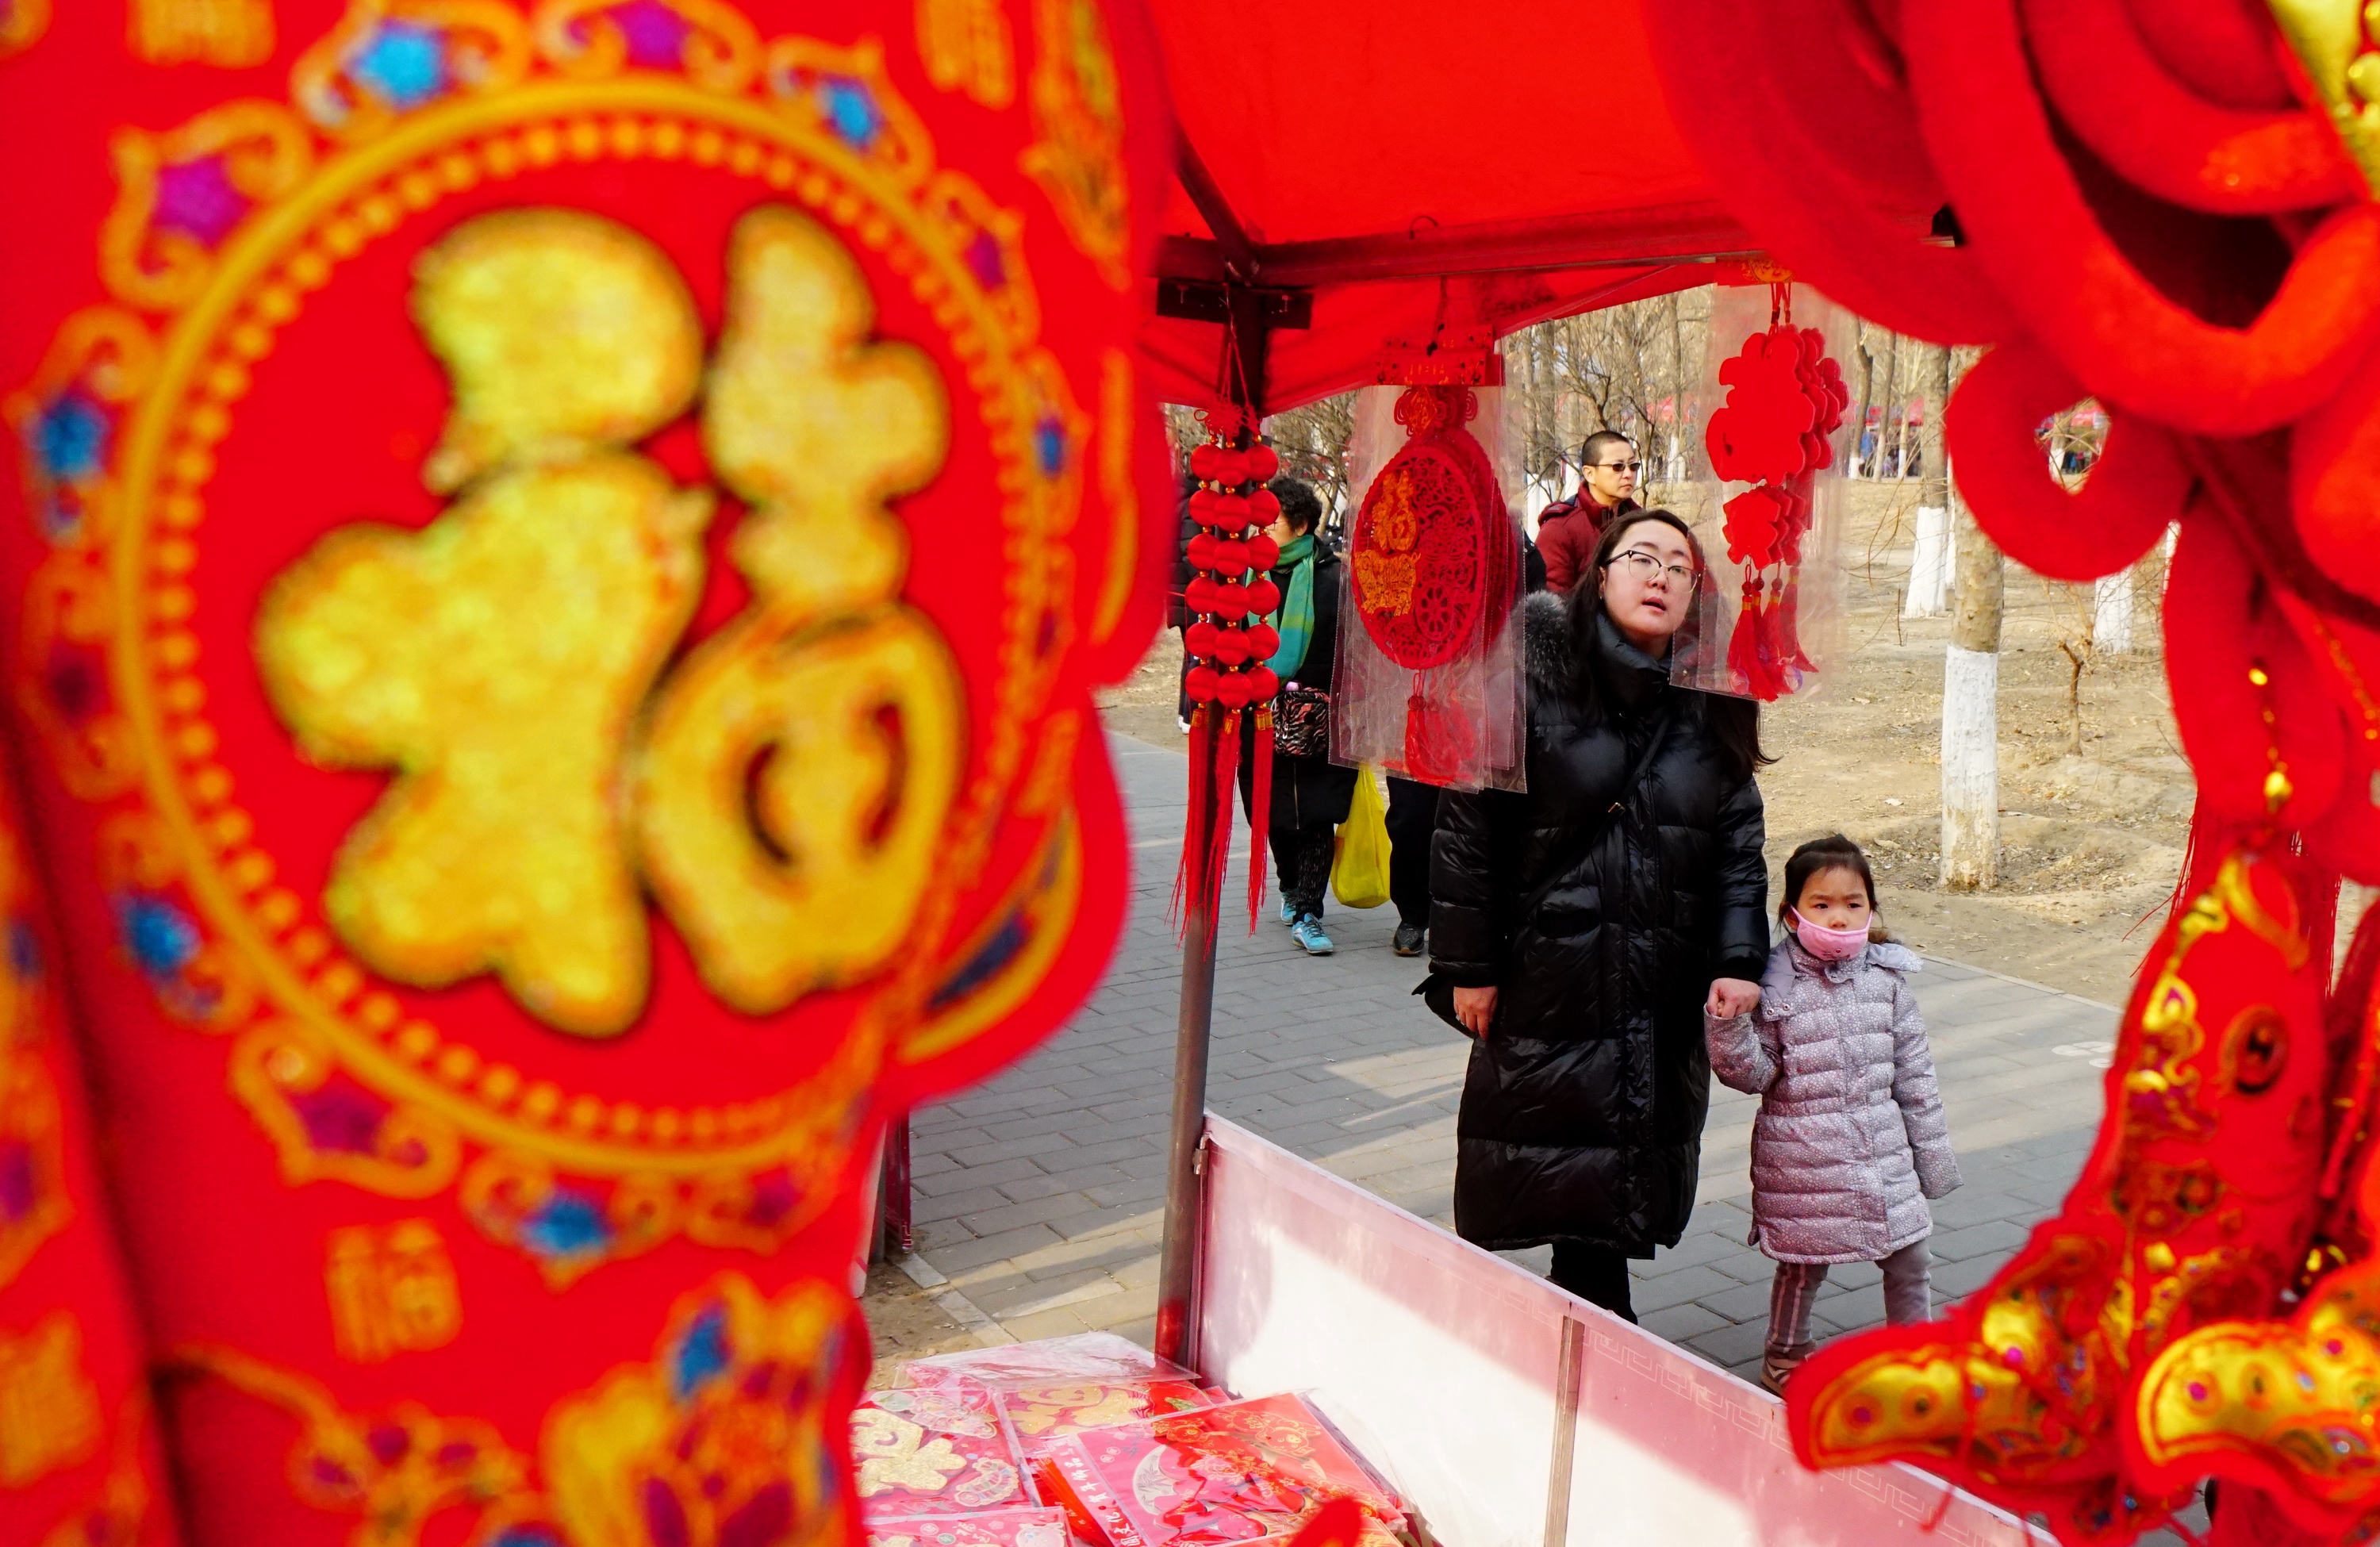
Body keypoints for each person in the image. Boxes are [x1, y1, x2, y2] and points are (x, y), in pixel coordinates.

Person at [1430, 509, 1769, 1320]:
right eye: (1640, 558)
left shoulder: (1710, 703)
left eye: (1678, 569)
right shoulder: (1527, 682)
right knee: (1565, 1166)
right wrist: (1467, 967)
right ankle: (1593, 1327)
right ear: (1601, 574)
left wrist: (1737, 960)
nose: (1659, 577)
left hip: (1660, 981)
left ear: (1694, 595)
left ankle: (1588, 1319)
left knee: (1619, 1169)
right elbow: (1468, 830)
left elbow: (1737, 847)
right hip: (1555, 977)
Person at [1705, 835, 1960, 1395]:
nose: (1840, 919)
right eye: (1822, 905)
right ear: (1792, 915)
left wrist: (1932, 1160)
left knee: (1911, 1257)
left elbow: (1916, 1079)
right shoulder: (1772, 985)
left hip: (1882, 1158)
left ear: (1871, 908)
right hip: (1804, 1165)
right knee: (1802, 1266)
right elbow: (1752, 1075)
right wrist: (1727, 1027)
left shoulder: (1888, 983)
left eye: (1854, 904)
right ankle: (1785, 1357)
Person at [1241, 477, 1357, 956]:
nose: (1260, 531)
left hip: (1319, 715)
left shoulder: (1336, 578)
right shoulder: (1240, 577)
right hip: (1257, 713)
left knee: (1317, 814)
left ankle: (1310, 910)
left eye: (1271, 523)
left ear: (1302, 525)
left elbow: (1355, 651)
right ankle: (1290, 886)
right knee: (1270, 812)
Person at [1534, 430, 1642, 595]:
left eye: (1633, 466)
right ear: (1589, 474)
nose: (1628, 474)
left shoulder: (1641, 522)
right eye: (1617, 467)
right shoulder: (1560, 529)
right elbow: (1552, 606)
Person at [1383, 776, 1437, 955]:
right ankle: (1413, 916)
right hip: (1412, 753)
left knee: (1468, 821)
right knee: (1410, 817)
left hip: (1471, 751)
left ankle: (1465, 917)